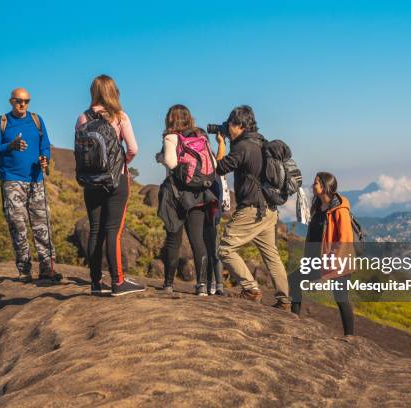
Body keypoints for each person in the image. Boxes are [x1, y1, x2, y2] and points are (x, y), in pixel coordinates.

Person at [215, 105, 291, 310]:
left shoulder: (242, 147)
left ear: (238, 125)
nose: (228, 128)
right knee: (271, 256)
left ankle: (250, 289)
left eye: (230, 124)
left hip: (252, 209)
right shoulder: (261, 142)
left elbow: (220, 167)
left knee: (225, 249)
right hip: (269, 209)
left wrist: (221, 144)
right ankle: (284, 300)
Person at [75, 75, 145, 296]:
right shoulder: (120, 117)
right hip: (116, 180)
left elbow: (79, 150)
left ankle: (96, 283)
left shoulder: (82, 118)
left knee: (95, 229)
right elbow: (133, 148)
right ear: (114, 92)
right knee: (113, 230)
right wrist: (120, 165)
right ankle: (118, 282)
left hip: (91, 181)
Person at [0, 88, 61, 283]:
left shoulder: (36, 120)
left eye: (27, 101)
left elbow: (45, 144)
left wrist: (45, 158)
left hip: (36, 179)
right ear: (11, 101)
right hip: (11, 180)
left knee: (42, 224)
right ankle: (24, 270)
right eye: (19, 101)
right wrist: (10, 146)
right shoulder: (2, 121)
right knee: (17, 225)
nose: (23, 105)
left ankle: (47, 268)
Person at [156, 104, 218, 296]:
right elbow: (214, 164)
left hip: (176, 197)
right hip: (199, 196)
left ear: (170, 119)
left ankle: (168, 284)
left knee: (174, 240)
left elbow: (171, 162)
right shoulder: (201, 137)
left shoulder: (171, 137)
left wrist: (159, 157)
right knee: (197, 241)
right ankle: (202, 285)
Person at [287, 172, 354, 335]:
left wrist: (332, 269)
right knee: (295, 279)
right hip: (318, 260)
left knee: (341, 298)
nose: (312, 186)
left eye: (316, 183)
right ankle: (293, 320)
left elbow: (345, 240)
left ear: (325, 187)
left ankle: (350, 336)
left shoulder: (340, 209)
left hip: (339, 262)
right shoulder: (318, 206)